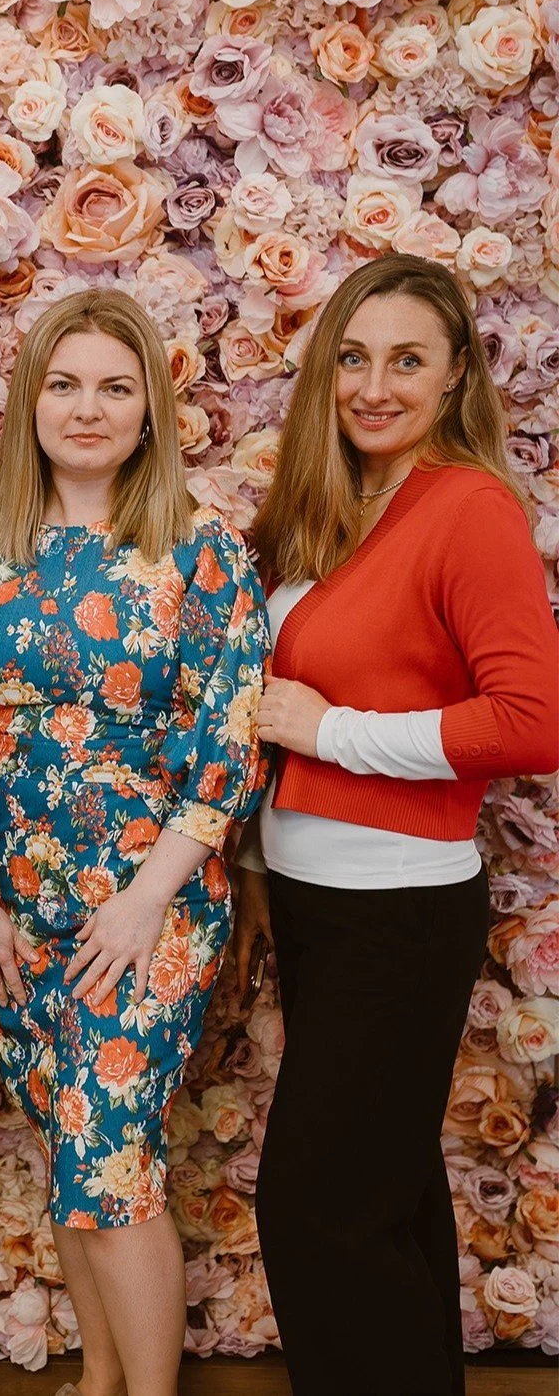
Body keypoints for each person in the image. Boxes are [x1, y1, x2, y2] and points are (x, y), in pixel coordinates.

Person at [0, 289, 269, 1396]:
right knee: (76, 1156)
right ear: (29, 403)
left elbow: (232, 736)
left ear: (150, 408)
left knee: (111, 1163)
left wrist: (150, 895)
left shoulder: (201, 556)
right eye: (65, 383)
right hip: (14, 912)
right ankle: (100, 1377)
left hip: (145, 909)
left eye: (115, 386)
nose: (88, 407)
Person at [231, 253, 559, 1396]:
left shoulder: (465, 508)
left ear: (457, 371)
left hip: (400, 907)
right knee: (385, 1196)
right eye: (355, 358)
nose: (376, 385)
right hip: (322, 901)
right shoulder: (333, 503)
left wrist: (335, 732)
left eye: (408, 359)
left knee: (317, 1206)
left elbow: (533, 718)